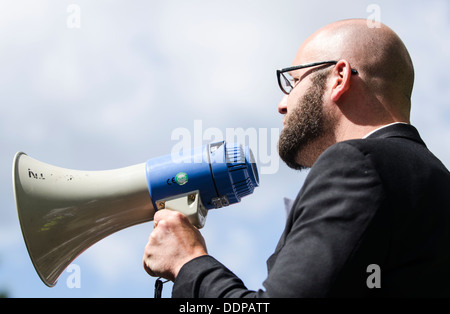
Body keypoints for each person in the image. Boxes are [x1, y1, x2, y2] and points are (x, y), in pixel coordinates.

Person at [142, 19, 450, 297]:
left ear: (339, 77)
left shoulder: (357, 164)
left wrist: (188, 263)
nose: (282, 104)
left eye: (292, 82)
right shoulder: (432, 182)